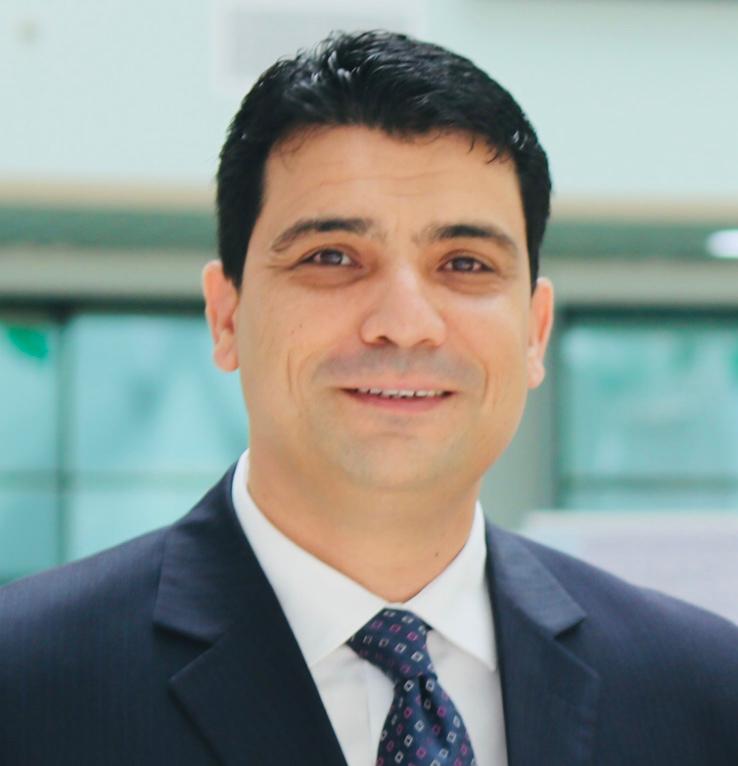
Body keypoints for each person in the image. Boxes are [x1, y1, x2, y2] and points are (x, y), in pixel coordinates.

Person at [1, 30, 736, 766]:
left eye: (465, 263)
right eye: (332, 257)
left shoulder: (702, 692)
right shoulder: (26, 682)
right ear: (226, 317)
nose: (405, 323)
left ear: (534, 332)